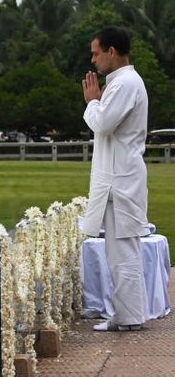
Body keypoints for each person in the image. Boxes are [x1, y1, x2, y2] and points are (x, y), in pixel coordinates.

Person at [80, 26, 150, 332]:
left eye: (97, 52)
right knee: (120, 252)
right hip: (120, 179)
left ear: (112, 52)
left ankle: (130, 317)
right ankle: (128, 315)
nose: (93, 59)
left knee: (123, 252)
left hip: (120, 182)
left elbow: (104, 124)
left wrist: (92, 102)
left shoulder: (124, 85)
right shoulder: (122, 83)